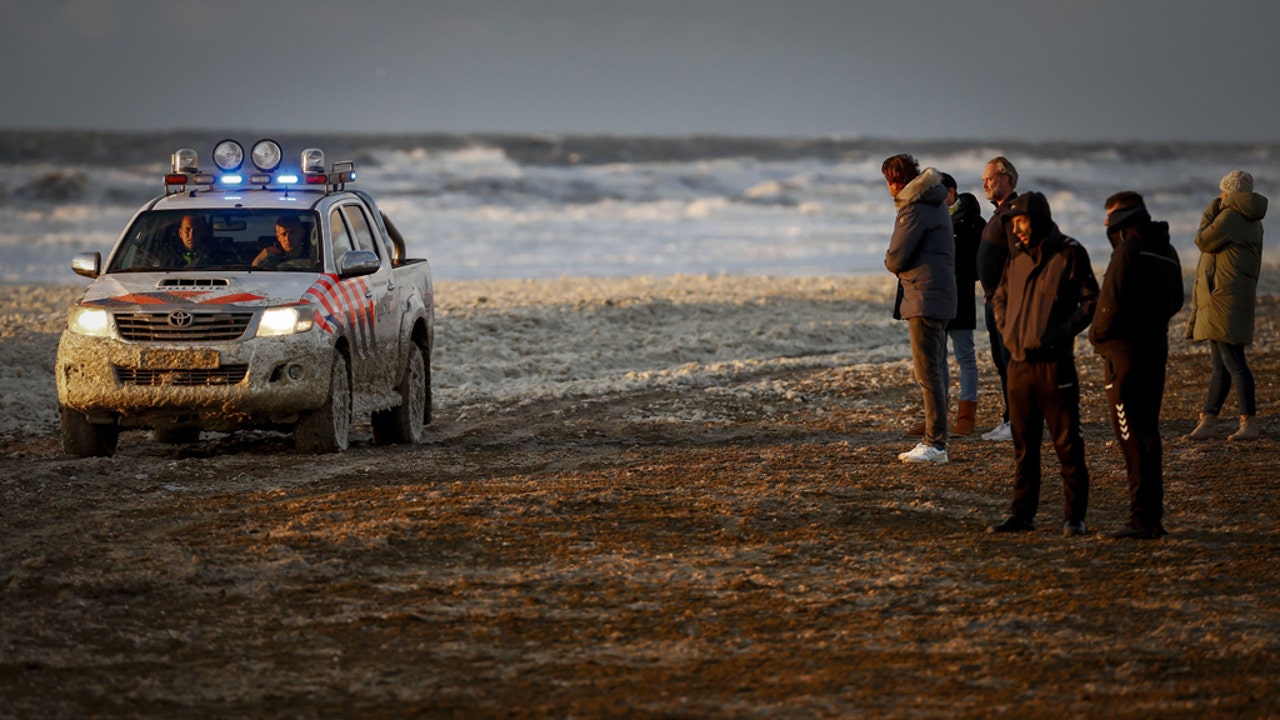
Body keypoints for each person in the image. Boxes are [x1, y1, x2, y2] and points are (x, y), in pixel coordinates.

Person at [988, 191, 1098, 536]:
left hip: (1055, 366)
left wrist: (1056, 335)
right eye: (1013, 224)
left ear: (1037, 219)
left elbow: (1090, 302)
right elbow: (1000, 296)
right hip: (1019, 366)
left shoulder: (1070, 252)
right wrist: (1007, 331)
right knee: (1024, 446)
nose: (1016, 230)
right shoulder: (1016, 256)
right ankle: (1021, 515)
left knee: (1067, 445)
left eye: (1021, 222)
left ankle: (1074, 518)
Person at [1089, 192, 1184, 540]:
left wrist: (1098, 338)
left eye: (1109, 215)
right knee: (1149, 435)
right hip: (1155, 351)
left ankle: (1141, 519)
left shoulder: (1127, 252)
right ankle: (1152, 517)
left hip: (1124, 357)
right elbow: (1177, 301)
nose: (1104, 222)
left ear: (1123, 217)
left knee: (1130, 438)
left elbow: (1108, 304)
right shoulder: (1167, 250)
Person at [881, 154, 957, 464]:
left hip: (924, 296)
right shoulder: (934, 203)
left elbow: (895, 257)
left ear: (894, 182)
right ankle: (936, 439)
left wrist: (891, 262)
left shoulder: (914, 209)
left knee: (928, 373)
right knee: (935, 370)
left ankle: (935, 443)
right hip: (938, 295)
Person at [1186, 170, 1268, 442]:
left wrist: (1211, 210)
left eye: (1223, 191)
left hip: (1224, 299)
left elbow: (1203, 240)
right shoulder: (1252, 218)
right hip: (1229, 297)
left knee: (1233, 363)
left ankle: (1249, 424)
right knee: (1221, 365)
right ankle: (1209, 421)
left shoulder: (1231, 216)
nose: (1219, 195)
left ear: (1230, 192)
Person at [905, 173, 983, 438]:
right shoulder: (933, 218)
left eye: (939, 193)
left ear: (951, 192)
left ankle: (966, 416)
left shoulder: (973, 221)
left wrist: (956, 278)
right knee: (937, 358)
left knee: (965, 355)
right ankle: (936, 417)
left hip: (961, 296)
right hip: (936, 297)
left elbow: (980, 263)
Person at [977, 157, 1019, 442]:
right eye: (983, 179)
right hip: (993, 300)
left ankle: (1017, 421)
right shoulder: (999, 213)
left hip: (1007, 301)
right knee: (1001, 363)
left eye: (990, 178)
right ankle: (1009, 417)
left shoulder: (1015, 213)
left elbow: (1021, 258)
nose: (985, 183)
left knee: (1010, 362)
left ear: (1008, 179)